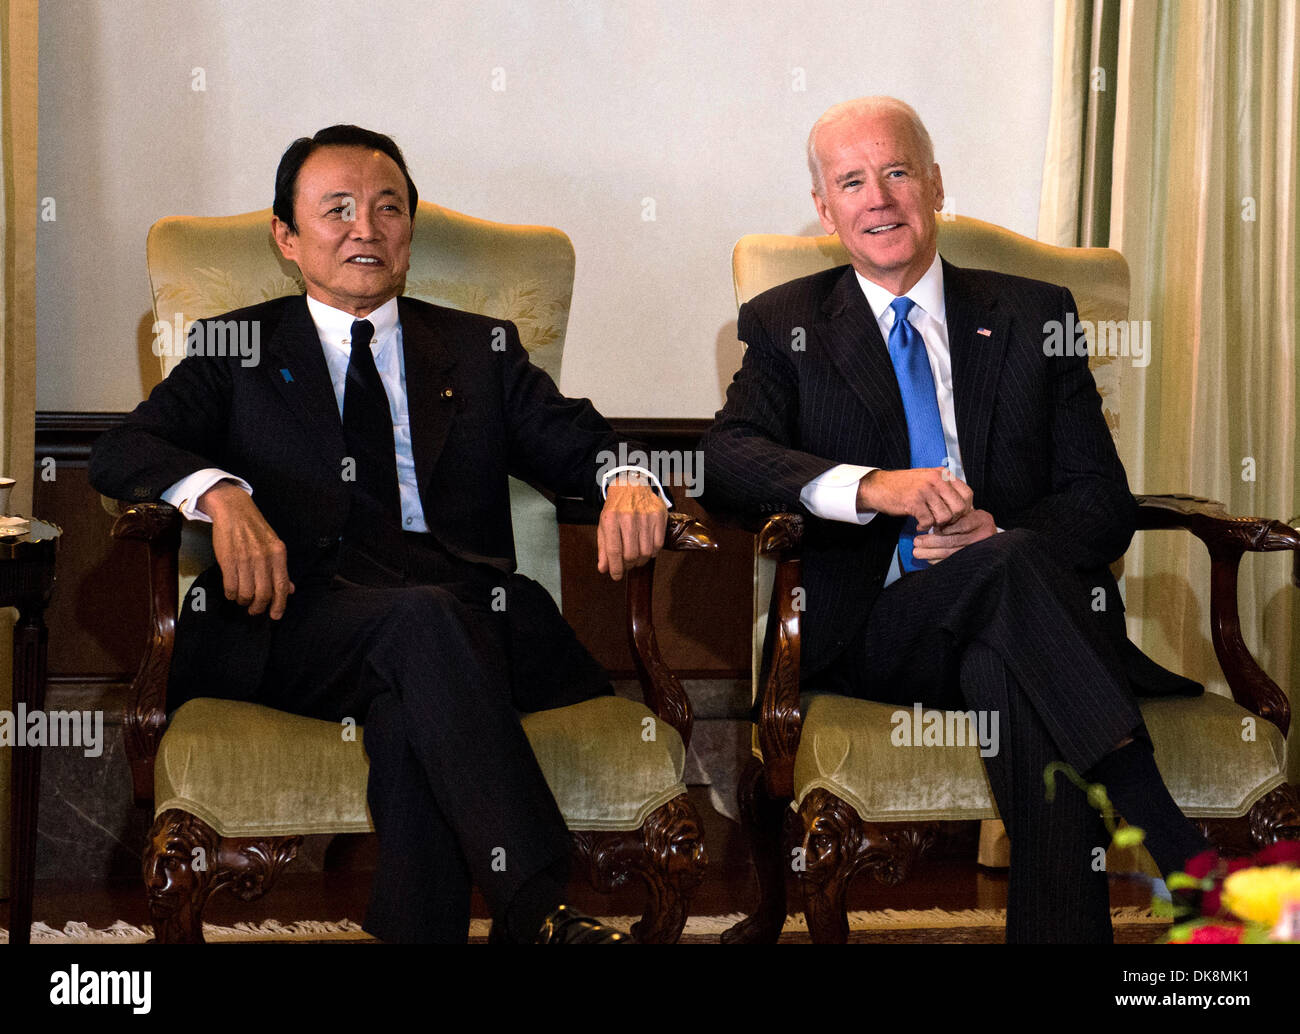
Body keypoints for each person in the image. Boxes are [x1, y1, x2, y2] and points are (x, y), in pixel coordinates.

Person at [90, 125, 669, 944]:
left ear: (410, 232)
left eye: (388, 209)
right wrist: (220, 493)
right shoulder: (237, 346)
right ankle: (538, 910)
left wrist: (628, 484)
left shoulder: (479, 348)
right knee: (423, 626)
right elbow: (123, 450)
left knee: (411, 703)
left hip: (469, 616)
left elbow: (583, 439)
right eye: (337, 210)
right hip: (293, 619)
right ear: (287, 239)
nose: (366, 228)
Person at [700, 96, 1209, 943]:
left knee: (1004, 650)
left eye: (897, 171)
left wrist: (996, 530)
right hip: (880, 628)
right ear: (826, 211)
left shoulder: (1032, 313)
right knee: (1012, 581)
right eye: (852, 181)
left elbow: (1101, 504)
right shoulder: (789, 324)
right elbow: (726, 456)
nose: (879, 198)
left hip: (1017, 624)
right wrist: (874, 488)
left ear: (935, 184)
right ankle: (1181, 856)